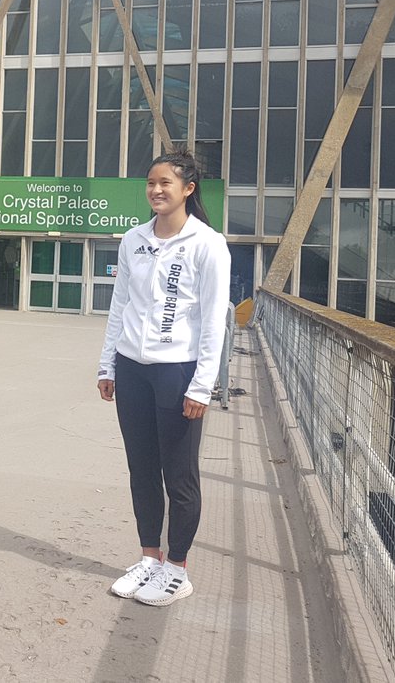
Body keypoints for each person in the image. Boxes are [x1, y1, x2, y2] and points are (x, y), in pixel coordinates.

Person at [96, 150, 231, 607]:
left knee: (179, 474)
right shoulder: (133, 240)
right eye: (150, 182)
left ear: (188, 189)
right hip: (133, 369)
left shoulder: (207, 244)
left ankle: (177, 568)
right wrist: (107, 364)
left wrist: (202, 385)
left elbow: (215, 321)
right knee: (141, 470)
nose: (155, 190)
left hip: (178, 373)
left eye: (165, 183)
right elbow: (120, 306)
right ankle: (149, 558)